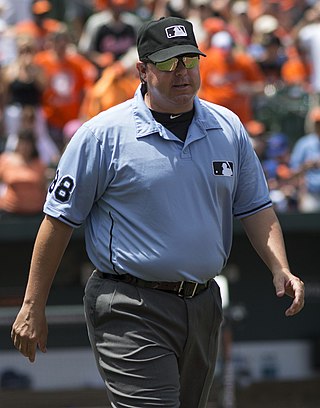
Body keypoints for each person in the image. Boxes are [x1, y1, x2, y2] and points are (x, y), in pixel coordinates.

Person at [11, 16, 304, 408]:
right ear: (142, 70)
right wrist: (32, 306)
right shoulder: (103, 134)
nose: (181, 72)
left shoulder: (228, 127)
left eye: (189, 59)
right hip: (130, 302)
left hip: (202, 302)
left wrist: (279, 267)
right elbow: (58, 221)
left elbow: (256, 208)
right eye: (168, 62)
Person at [0, 127, 47, 216]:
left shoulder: (40, 164)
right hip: (9, 213)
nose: (25, 147)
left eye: (28, 143)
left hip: (36, 213)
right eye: (22, 142)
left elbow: (43, 187)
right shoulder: (5, 161)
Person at [290, 106, 320, 212]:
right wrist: (307, 166)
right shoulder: (305, 144)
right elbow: (293, 172)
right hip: (311, 194)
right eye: (317, 123)